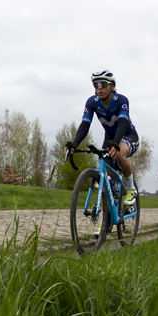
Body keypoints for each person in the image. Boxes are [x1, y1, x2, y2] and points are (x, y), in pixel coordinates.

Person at [64, 69, 139, 215]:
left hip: (128, 135)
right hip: (110, 139)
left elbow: (123, 123)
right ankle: (104, 220)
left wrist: (117, 143)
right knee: (105, 179)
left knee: (119, 155)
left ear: (111, 86)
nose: (99, 87)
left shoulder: (121, 100)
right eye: (96, 84)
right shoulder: (92, 102)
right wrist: (75, 143)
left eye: (103, 83)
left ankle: (131, 189)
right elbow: (85, 124)